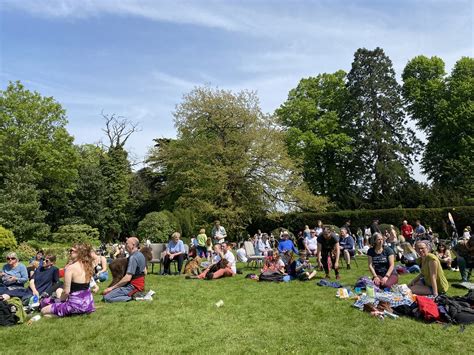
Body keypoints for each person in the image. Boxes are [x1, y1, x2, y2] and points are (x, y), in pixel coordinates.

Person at [41, 244, 95, 317]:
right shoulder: (88, 266)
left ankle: (70, 314)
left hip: (75, 305)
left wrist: (58, 301)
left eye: (71, 250)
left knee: (43, 311)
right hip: (88, 304)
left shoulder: (70, 268)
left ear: (79, 252)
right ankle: (74, 313)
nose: (69, 252)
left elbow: (66, 292)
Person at [103, 237, 146, 302]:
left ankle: (134, 297)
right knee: (111, 293)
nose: (125, 245)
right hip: (140, 285)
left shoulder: (133, 258)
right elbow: (145, 272)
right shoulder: (141, 255)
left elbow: (127, 278)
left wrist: (111, 288)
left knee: (106, 297)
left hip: (132, 287)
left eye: (127, 244)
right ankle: (136, 294)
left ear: (133, 245)